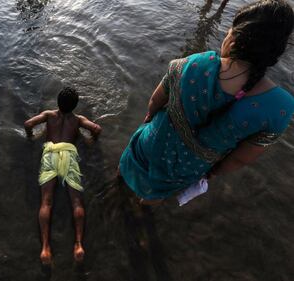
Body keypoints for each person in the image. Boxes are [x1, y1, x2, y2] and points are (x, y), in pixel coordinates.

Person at [119, 0, 294, 205]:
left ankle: (119, 181)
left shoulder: (192, 64)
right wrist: (212, 173)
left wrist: (149, 117)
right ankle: (145, 206)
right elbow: (239, 159)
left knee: (131, 162)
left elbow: (155, 101)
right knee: (157, 191)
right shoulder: (281, 107)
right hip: (188, 166)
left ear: (235, 38)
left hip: (153, 140)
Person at [24, 87, 102, 265]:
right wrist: (91, 140)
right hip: (68, 155)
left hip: (50, 153)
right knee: (76, 202)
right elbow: (97, 128)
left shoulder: (49, 115)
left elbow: (28, 124)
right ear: (75, 106)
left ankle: (45, 248)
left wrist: (33, 137)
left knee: (46, 202)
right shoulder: (78, 120)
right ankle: (79, 245)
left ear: (58, 102)